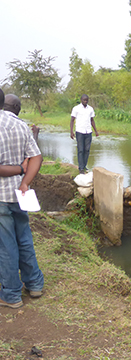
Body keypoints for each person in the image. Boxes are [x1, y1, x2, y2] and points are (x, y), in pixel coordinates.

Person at [0, 89, 44, 309]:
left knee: (5, 245)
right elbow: (36, 156)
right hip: (19, 193)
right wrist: (25, 180)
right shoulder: (21, 125)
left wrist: (17, 168)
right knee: (24, 237)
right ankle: (35, 284)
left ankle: (11, 295)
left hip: (0, 197)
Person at [70, 94, 99, 174]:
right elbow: (72, 120)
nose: (85, 101)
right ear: (81, 100)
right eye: (84, 100)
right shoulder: (76, 108)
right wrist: (71, 132)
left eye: (87, 100)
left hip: (88, 132)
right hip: (79, 131)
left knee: (87, 150)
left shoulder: (90, 109)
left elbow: (92, 120)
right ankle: (81, 168)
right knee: (80, 150)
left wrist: (96, 131)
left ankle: (84, 166)